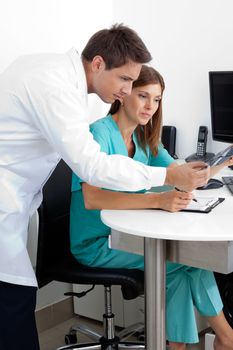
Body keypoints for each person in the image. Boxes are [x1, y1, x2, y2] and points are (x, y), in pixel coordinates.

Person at [70, 65, 233, 350]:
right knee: (182, 262)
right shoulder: (98, 135)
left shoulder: (144, 138)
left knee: (184, 264)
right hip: (98, 243)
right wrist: (158, 200)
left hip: (129, 237)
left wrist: (208, 169)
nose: (150, 106)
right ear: (123, 94)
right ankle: (225, 337)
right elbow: (92, 198)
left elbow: (177, 174)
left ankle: (198, 342)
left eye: (156, 100)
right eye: (143, 96)